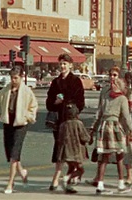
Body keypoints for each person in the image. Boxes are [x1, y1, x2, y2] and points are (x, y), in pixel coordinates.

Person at [0, 68, 38, 194]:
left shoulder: (26, 91)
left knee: (14, 153)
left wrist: (27, 117)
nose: (13, 80)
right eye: (12, 77)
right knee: (10, 152)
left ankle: (10, 183)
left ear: (21, 77)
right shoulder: (6, 89)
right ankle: (22, 171)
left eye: (16, 78)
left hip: (20, 124)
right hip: (8, 122)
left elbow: (33, 106)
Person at [45, 53, 85, 191]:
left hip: (70, 121)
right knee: (59, 149)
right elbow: (49, 103)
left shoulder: (75, 81)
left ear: (70, 65)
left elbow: (80, 102)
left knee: (69, 151)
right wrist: (55, 102)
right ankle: (59, 177)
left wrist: (67, 103)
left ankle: (68, 176)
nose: (62, 66)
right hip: (58, 121)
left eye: (65, 64)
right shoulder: (56, 82)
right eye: (60, 63)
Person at [90, 73, 132, 195]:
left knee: (104, 157)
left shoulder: (106, 97)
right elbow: (126, 117)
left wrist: (93, 128)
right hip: (115, 127)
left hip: (103, 126)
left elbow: (98, 113)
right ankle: (121, 183)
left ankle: (100, 183)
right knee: (120, 156)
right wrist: (129, 131)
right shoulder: (122, 99)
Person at [57, 103, 91, 193]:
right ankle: (66, 178)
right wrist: (89, 136)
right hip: (76, 151)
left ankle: (67, 185)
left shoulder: (63, 125)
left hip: (66, 151)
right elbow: (84, 137)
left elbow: (59, 139)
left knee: (71, 168)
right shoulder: (78, 124)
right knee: (80, 170)